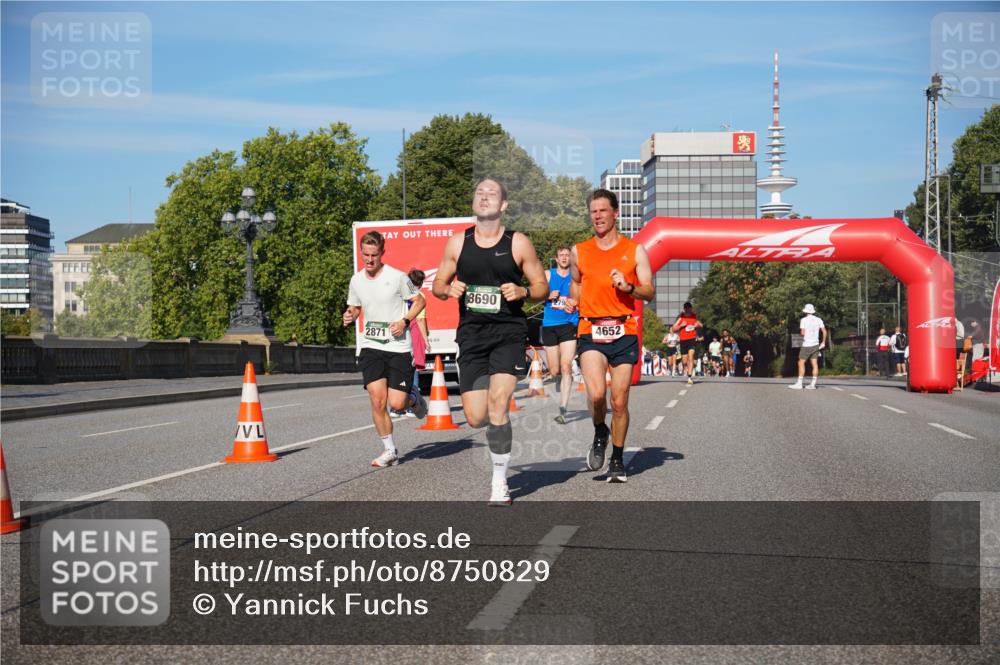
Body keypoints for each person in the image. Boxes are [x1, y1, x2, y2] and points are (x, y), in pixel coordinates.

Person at [432, 178, 548, 506]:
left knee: (499, 403)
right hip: (471, 336)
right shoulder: (458, 243)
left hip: (508, 333)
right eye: (479, 193)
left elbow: (541, 285)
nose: (484, 197)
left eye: (491, 194)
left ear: (503, 205)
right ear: (474, 202)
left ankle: (499, 482)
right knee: (475, 416)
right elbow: (439, 283)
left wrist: (524, 291)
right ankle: (496, 435)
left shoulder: (518, 243)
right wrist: (446, 289)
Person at [564, 188, 654, 484]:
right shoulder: (580, 251)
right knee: (597, 394)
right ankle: (600, 430)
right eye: (593, 212)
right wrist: (573, 300)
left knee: (620, 400)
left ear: (615, 213)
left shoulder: (634, 250)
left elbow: (649, 291)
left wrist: (628, 287)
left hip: (624, 330)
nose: (598, 216)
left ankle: (617, 458)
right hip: (590, 329)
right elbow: (576, 283)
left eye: (603, 211)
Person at [344, 231, 429, 467]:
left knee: (397, 403)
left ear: (382, 252)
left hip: (398, 347)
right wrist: (350, 315)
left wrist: (404, 321)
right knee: (377, 400)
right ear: (361, 252)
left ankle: (413, 399)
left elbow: (420, 301)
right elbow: (355, 307)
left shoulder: (398, 277)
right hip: (371, 345)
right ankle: (389, 450)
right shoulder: (356, 280)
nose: (369, 260)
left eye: (374, 255)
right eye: (365, 255)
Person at [541, 246, 580, 424]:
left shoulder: (576, 277)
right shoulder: (548, 275)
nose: (564, 258)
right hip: (550, 325)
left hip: (569, 324)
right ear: (556, 259)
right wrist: (547, 295)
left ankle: (563, 409)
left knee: (566, 366)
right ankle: (560, 378)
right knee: (554, 369)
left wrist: (576, 301)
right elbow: (535, 294)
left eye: (567, 255)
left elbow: (585, 295)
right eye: (561, 256)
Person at [789, 303, 827, 390]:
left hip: (806, 344)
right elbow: (824, 331)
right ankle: (813, 384)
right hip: (816, 344)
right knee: (814, 363)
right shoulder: (819, 320)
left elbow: (802, 333)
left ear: (805, 311)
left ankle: (799, 383)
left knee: (801, 363)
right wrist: (823, 342)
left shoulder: (803, 320)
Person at [670, 302, 703, 385]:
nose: (688, 309)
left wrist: (697, 325)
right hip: (683, 340)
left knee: (691, 357)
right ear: (684, 309)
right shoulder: (681, 318)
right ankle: (687, 369)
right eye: (686, 308)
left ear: (691, 308)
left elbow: (701, 325)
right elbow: (673, 329)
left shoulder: (694, 316)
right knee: (685, 361)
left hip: (692, 339)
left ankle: (689, 377)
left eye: (689, 307)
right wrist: (681, 325)